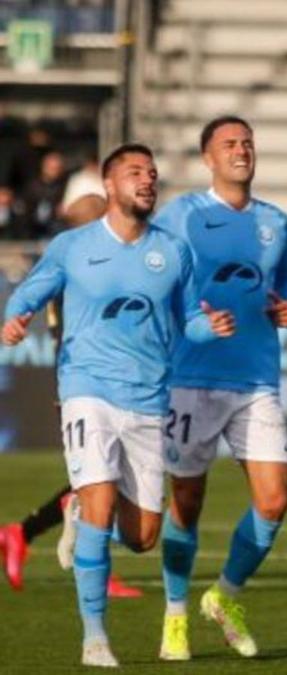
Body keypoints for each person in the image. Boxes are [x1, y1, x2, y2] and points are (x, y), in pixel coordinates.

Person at [1, 143, 235, 667]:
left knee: (143, 536)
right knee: (103, 510)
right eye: (135, 173)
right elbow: (30, 292)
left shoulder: (174, 252)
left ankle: (79, 506)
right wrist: (16, 318)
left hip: (149, 401)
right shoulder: (73, 245)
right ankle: (95, 639)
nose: (147, 180)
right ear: (108, 185)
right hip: (88, 391)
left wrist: (210, 326)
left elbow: (187, 320)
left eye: (151, 174)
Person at [152, 116, 287, 662]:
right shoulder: (181, 217)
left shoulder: (275, 222)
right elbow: (159, 284)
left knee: (275, 499)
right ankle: (174, 614)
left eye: (247, 142)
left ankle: (224, 595)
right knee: (186, 502)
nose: (242, 151)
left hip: (257, 377)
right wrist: (191, 322)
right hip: (192, 377)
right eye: (229, 144)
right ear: (208, 158)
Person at [0, 193, 142, 599]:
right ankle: (95, 567)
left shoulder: (72, 262)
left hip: (86, 379)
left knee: (105, 475)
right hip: (92, 381)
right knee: (107, 478)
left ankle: (21, 532)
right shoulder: (85, 264)